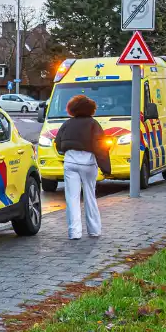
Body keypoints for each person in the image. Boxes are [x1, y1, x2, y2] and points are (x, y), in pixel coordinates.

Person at [54, 94, 104, 239]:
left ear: (72, 109)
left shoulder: (67, 124)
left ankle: (74, 232)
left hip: (70, 163)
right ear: (91, 109)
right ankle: (94, 230)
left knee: (72, 198)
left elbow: (58, 143)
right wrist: (105, 167)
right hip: (88, 163)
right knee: (90, 196)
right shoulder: (94, 124)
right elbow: (100, 146)